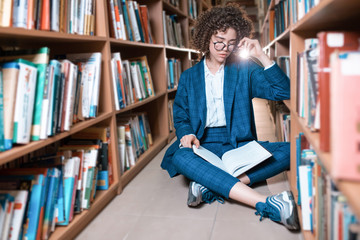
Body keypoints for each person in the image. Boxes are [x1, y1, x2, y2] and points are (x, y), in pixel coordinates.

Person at [160, 4, 299, 231]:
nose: (224, 48)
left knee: (293, 150)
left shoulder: (245, 69)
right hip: (202, 142)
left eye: (231, 43)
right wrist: (185, 134)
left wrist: (262, 56)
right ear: (206, 38)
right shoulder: (189, 77)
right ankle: (268, 203)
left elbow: (284, 92)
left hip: (239, 142)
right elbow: (181, 114)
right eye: (219, 42)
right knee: (180, 157)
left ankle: (209, 183)